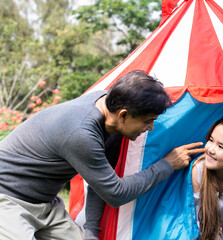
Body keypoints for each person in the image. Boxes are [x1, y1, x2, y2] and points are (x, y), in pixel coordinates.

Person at [0, 70, 204, 240]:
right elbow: (115, 193)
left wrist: (91, 231)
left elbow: (102, 184)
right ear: (123, 115)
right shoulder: (81, 133)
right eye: (147, 121)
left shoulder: (110, 114)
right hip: (7, 200)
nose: (150, 128)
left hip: (46, 204)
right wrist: (167, 164)